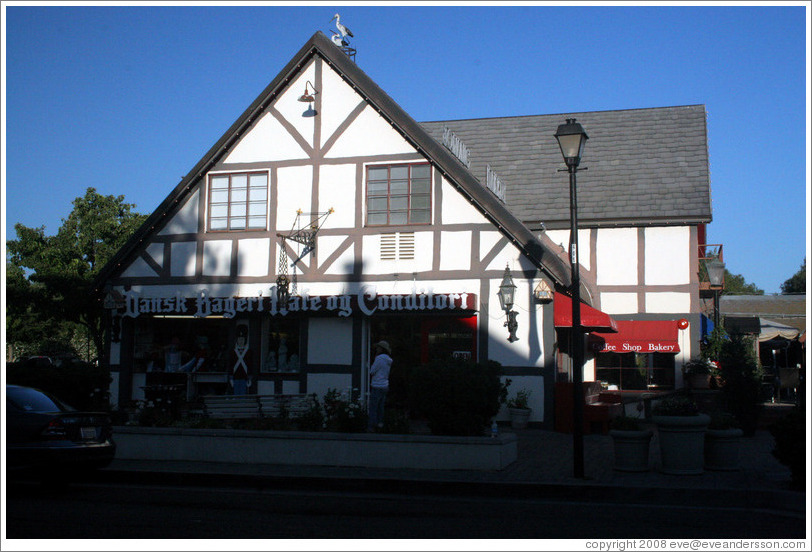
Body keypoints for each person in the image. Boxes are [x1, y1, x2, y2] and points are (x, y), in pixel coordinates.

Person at [368, 340, 393, 432]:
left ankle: (372, 426)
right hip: (385, 385)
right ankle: (380, 424)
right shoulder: (388, 360)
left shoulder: (379, 359)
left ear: (382, 349)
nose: (377, 349)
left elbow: (372, 371)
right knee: (381, 407)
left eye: (378, 347)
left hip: (377, 385)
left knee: (373, 407)